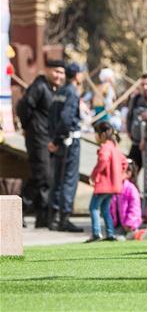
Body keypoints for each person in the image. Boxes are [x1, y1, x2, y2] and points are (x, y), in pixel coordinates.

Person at [17, 60, 65, 228]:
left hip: (49, 138)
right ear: (47, 70)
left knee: (48, 177)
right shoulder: (39, 86)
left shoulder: (55, 90)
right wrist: (26, 127)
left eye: (62, 73)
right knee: (41, 175)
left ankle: (43, 217)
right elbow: (23, 106)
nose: (59, 76)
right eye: (56, 71)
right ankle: (17, 210)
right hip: (37, 136)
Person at [47, 62, 85, 233]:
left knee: (58, 179)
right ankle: (64, 218)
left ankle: (53, 218)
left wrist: (53, 139)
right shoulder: (71, 92)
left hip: (59, 140)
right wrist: (58, 138)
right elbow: (66, 118)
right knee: (69, 179)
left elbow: (51, 117)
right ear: (77, 75)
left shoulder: (60, 91)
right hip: (69, 140)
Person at [86, 122, 127, 242]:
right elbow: (124, 162)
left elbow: (103, 160)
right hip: (114, 185)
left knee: (93, 207)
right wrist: (119, 176)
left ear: (102, 134)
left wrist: (94, 175)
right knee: (105, 209)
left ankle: (96, 233)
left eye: (96, 133)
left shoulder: (105, 147)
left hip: (104, 184)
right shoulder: (114, 147)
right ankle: (110, 233)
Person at [111, 161, 143, 239]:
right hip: (118, 225)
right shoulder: (116, 187)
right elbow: (111, 207)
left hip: (129, 227)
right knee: (116, 239)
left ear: (129, 173)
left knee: (126, 238)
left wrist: (129, 223)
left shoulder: (131, 189)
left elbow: (134, 208)